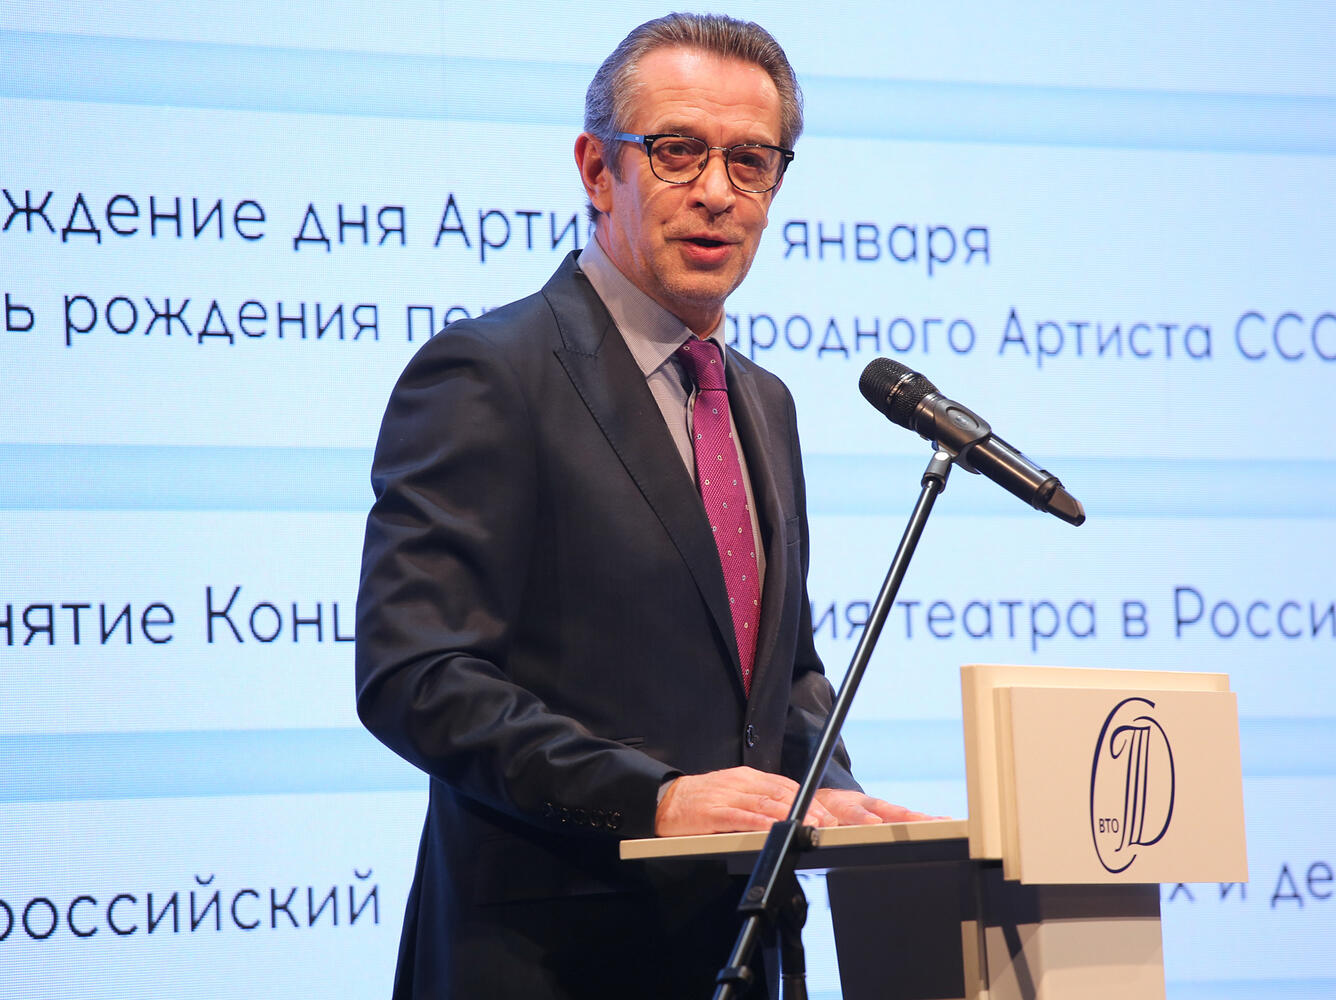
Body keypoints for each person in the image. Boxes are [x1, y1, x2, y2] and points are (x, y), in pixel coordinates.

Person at [355, 13, 926, 998]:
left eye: (750, 161)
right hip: (549, 959)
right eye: (677, 151)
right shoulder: (491, 373)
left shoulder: (762, 401)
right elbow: (418, 675)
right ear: (596, 169)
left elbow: (782, 675)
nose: (717, 192)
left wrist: (827, 793)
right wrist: (654, 800)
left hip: (739, 953)